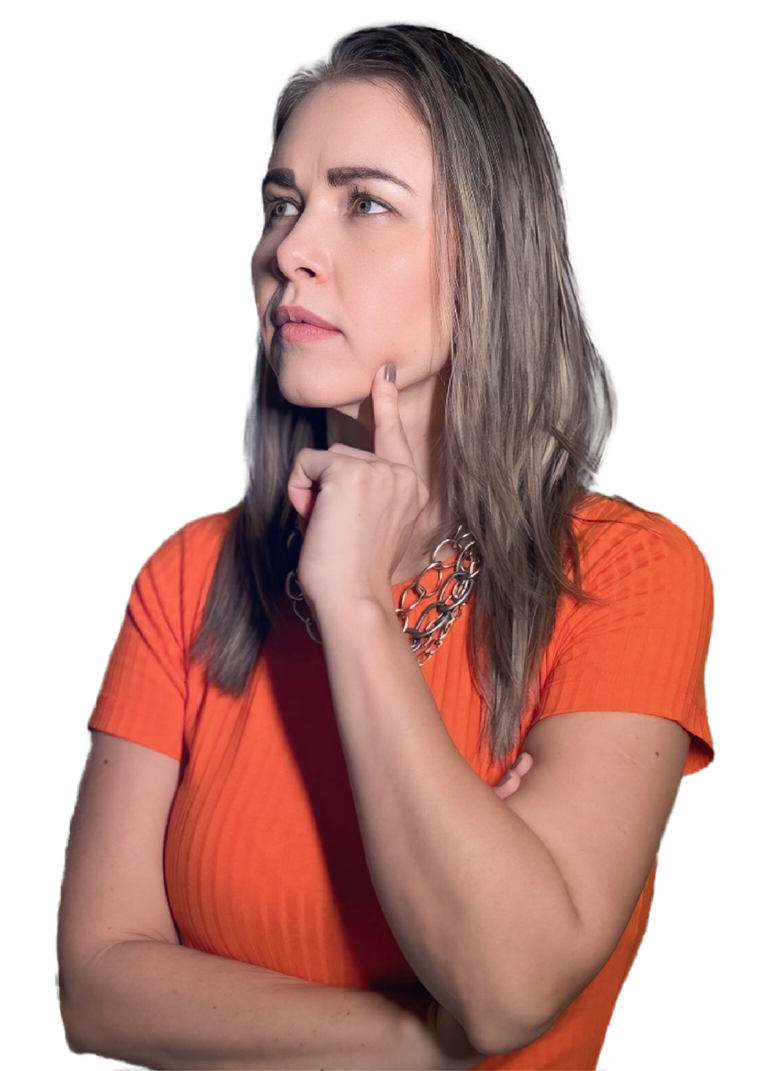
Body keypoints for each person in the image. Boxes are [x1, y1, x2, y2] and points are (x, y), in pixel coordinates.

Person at [56, 21, 715, 1071]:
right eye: (282, 204)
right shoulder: (186, 577)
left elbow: (506, 984)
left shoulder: (628, 574)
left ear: (488, 255)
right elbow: (95, 991)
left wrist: (356, 603)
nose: (289, 250)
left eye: (363, 202)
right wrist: (421, 1043)